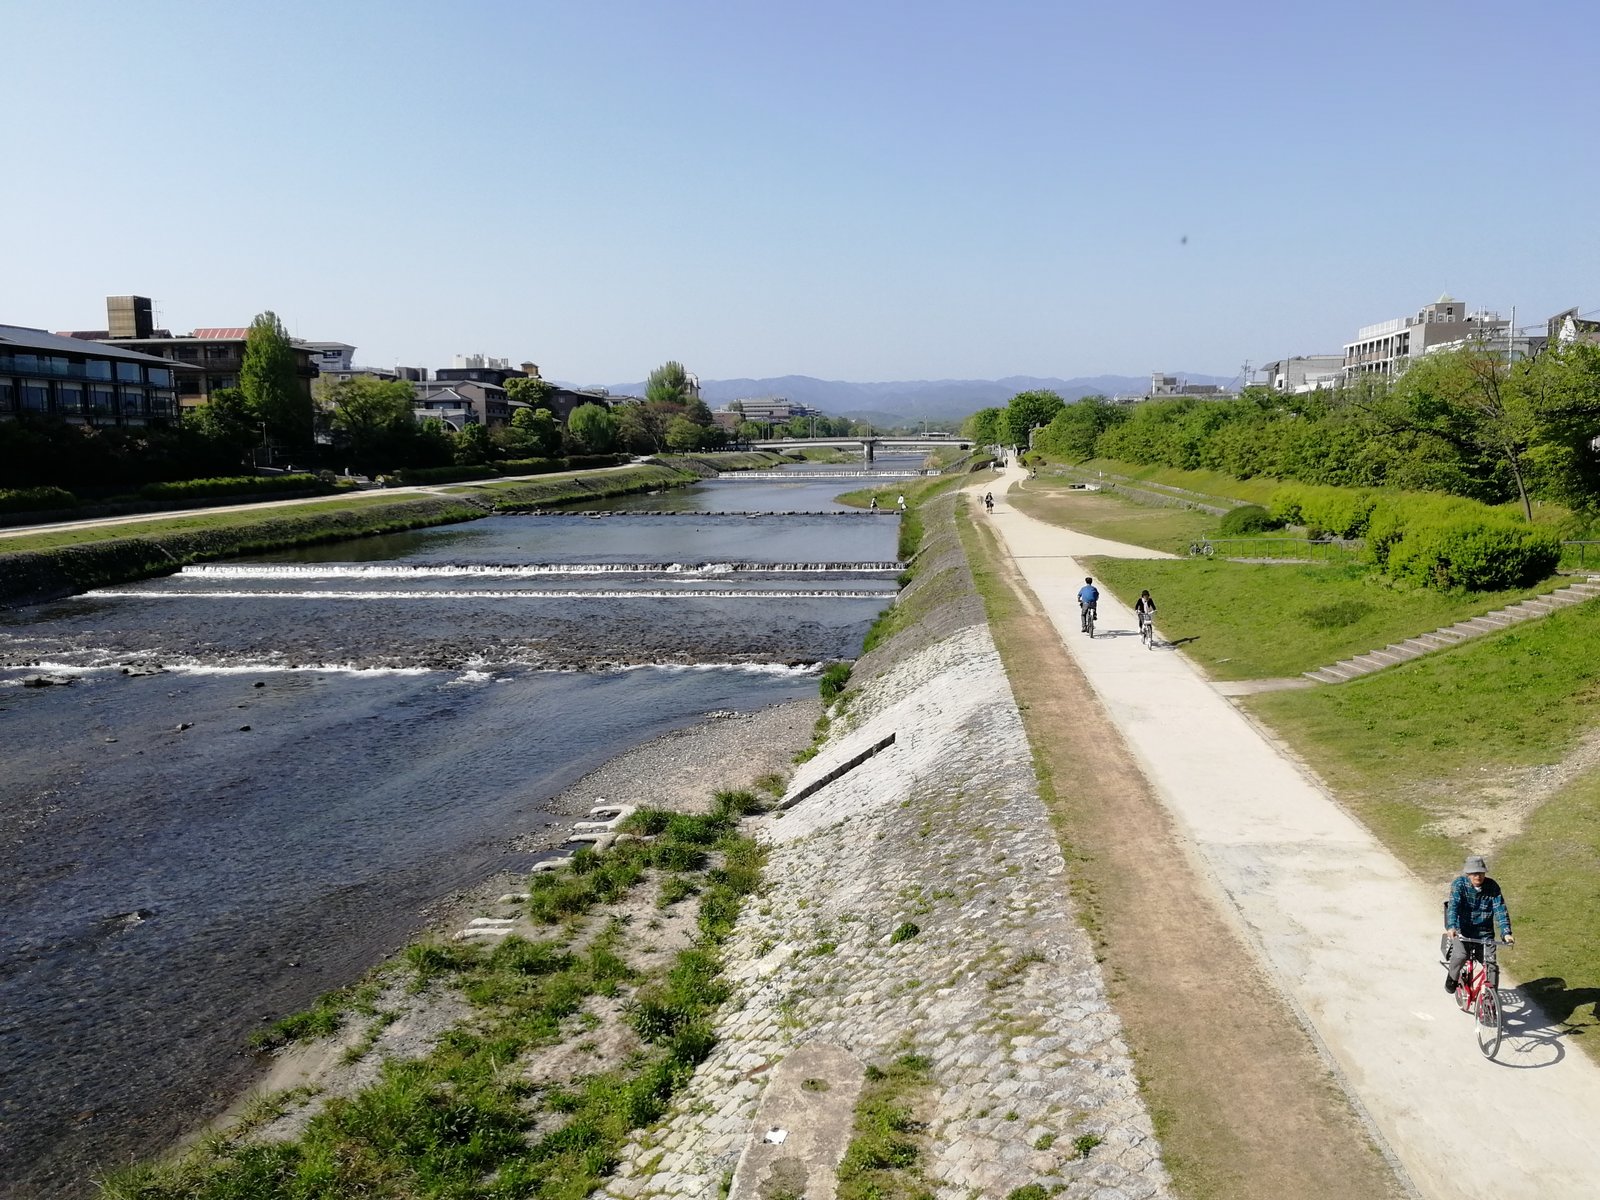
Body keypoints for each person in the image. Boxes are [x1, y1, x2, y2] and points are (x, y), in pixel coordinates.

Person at [1445, 854, 1513, 993]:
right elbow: (1453, 907)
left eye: (1481, 873)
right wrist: (1451, 926)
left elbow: (1500, 909)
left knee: (1491, 965)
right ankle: (1452, 978)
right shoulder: (1459, 885)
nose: (1478, 877)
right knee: (1461, 955)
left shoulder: (1492, 886)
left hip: (1485, 933)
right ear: (1468, 874)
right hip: (1462, 930)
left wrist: (1506, 933)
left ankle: (1491, 997)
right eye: (1475, 873)